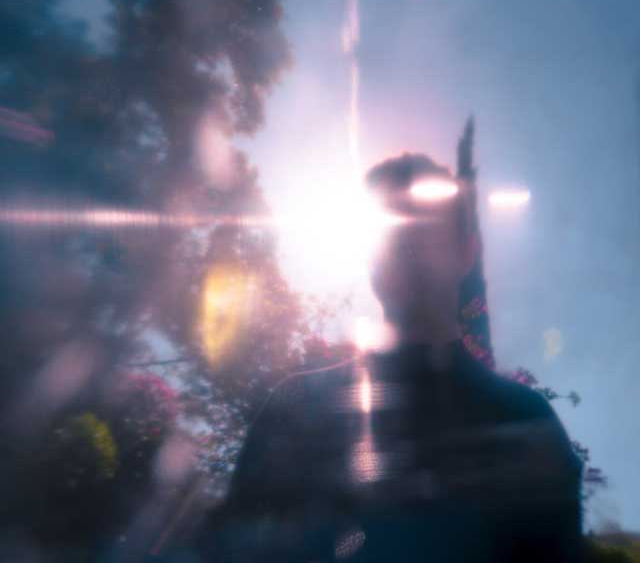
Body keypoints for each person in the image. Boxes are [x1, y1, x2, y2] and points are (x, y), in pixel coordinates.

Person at [200, 152, 584, 562]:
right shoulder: (293, 410)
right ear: (369, 258)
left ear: (466, 253)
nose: (406, 243)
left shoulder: (526, 421)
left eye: (426, 226)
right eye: (391, 228)